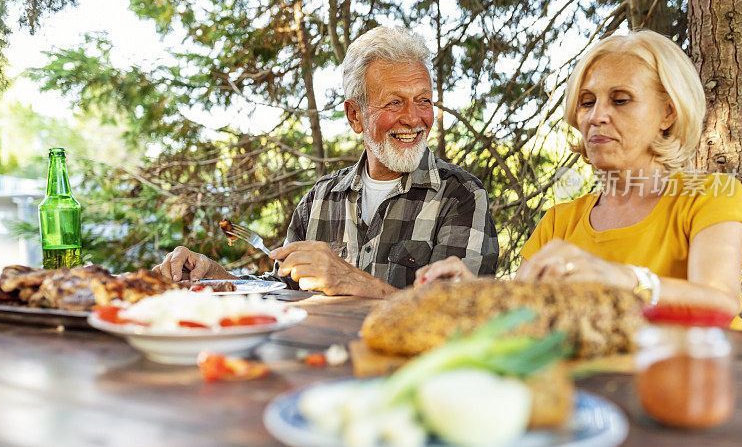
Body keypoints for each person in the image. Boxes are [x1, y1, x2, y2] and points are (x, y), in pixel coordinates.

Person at [416, 29, 742, 318]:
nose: (596, 116)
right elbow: (519, 304)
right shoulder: (561, 221)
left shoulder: (712, 196)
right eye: (586, 101)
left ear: (668, 114)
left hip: (689, 385)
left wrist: (619, 277)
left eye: (621, 99)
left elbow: (720, 301)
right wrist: (472, 289)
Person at [154, 26, 499, 297]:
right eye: (394, 103)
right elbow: (280, 292)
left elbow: (458, 316)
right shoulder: (319, 200)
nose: (413, 118)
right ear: (354, 115)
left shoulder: (461, 197)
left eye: (423, 100)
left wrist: (353, 281)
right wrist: (214, 277)